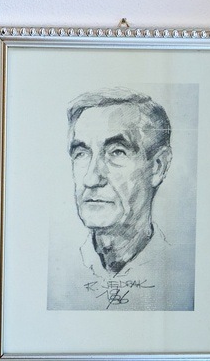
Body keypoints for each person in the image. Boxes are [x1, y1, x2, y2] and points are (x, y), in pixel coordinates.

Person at [49, 89, 194, 310]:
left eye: (117, 152)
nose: (91, 178)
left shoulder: (183, 278)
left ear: (158, 166)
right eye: (81, 153)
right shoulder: (57, 274)